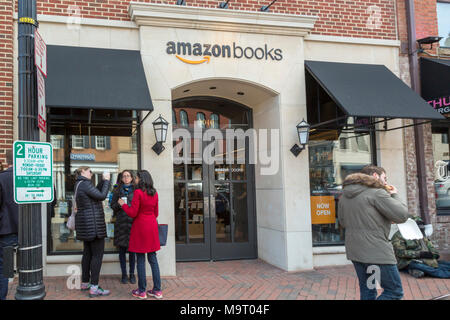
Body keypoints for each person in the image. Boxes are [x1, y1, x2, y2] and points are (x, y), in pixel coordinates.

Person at [338, 165, 410, 300]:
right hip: (377, 253)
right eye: (385, 178)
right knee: (394, 292)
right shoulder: (377, 193)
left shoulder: (345, 196)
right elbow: (402, 215)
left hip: (356, 252)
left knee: (368, 291)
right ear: (375, 176)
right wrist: (395, 195)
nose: (386, 182)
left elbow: (343, 221)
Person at [118, 170, 162, 300]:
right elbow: (156, 213)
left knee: (141, 259)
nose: (135, 180)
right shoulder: (154, 193)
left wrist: (123, 205)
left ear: (141, 179)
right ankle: (157, 290)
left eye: (136, 178)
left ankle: (142, 291)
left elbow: (132, 213)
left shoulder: (138, 192)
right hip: (152, 226)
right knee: (153, 259)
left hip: (140, 227)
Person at [74, 166, 111, 298]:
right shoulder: (84, 184)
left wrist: (102, 181)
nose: (91, 173)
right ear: (83, 172)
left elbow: (95, 192)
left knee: (88, 254)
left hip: (86, 225)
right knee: (97, 256)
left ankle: (85, 282)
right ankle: (94, 287)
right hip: (93, 226)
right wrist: (106, 180)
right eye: (89, 171)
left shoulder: (80, 184)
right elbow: (101, 196)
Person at [110, 170, 136, 284]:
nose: (126, 178)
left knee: (132, 252)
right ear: (121, 178)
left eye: (128, 176)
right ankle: (124, 274)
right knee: (121, 251)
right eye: (124, 176)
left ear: (131, 178)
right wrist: (119, 205)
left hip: (132, 223)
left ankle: (132, 274)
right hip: (121, 223)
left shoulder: (136, 191)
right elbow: (112, 206)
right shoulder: (116, 191)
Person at [0, 150, 18, 300]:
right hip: (28, 232)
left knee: (4, 270)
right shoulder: (28, 178)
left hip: (6, 230)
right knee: (28, 268)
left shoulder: (1, 178)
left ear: (7, 162)